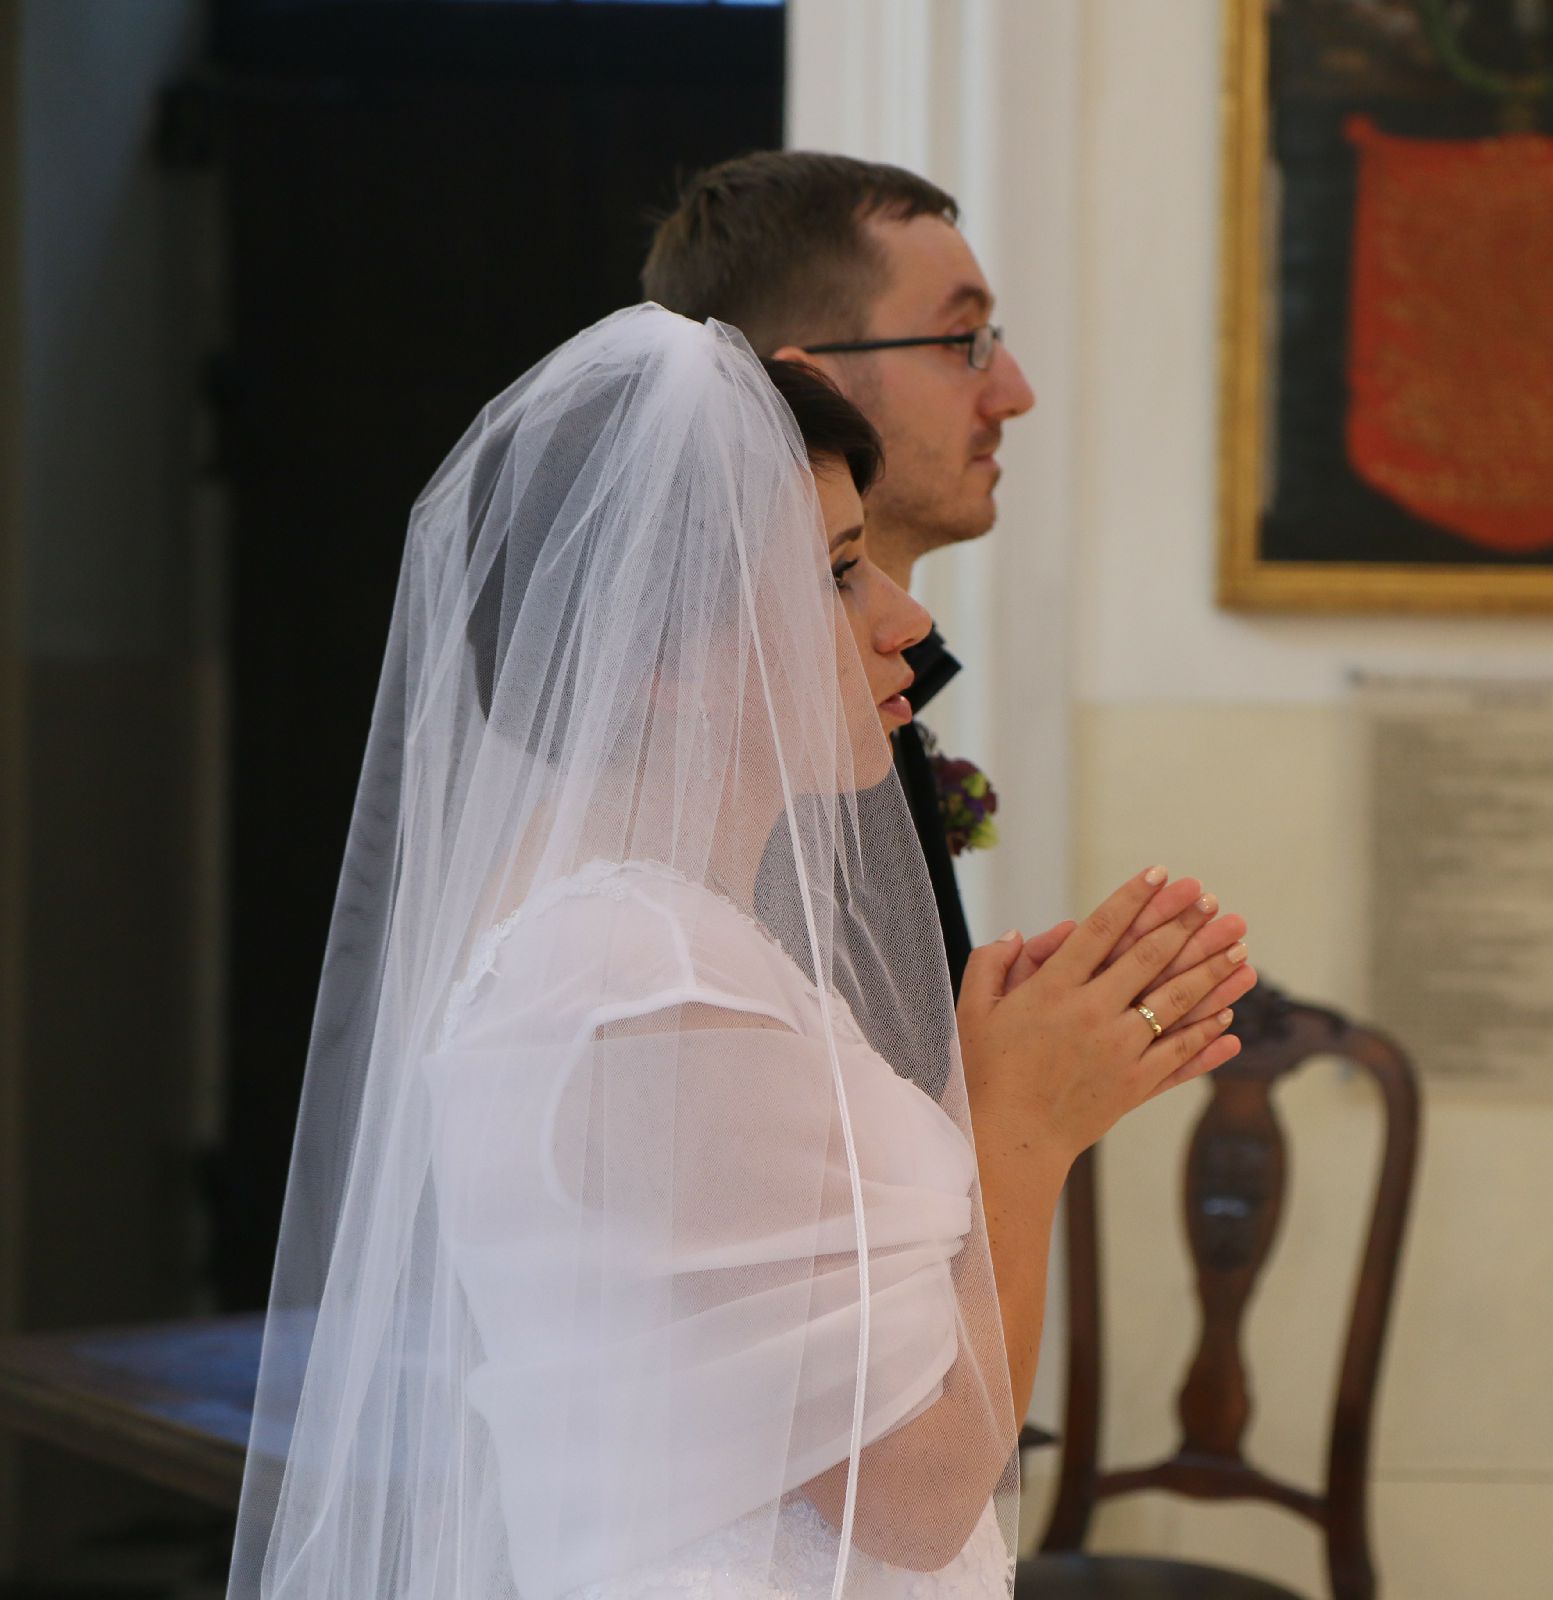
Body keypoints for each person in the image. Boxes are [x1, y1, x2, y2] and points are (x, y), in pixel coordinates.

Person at [227, 307, 1256, 1598]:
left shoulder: (660, 943)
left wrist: (993, 1072)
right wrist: (1027, 1128)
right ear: (660, 650)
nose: (903, 621)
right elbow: (919, 1494)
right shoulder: (643, 983)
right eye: (839, 573)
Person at [640, 151, 1046, 996]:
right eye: (962, 341)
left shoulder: (862, 703)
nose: (1014, 392)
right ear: (812, 382)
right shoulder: (745, 759)